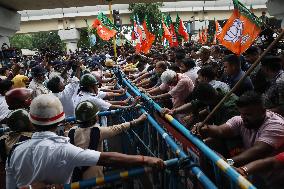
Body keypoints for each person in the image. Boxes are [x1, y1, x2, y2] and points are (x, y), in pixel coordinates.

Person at [5, 94, 164, 188]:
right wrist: (146, 159)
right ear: (61, 120)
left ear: (32, 122)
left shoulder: (14, 150)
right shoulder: (63, 148)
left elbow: (10, 185)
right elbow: (107, 158)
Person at [69, 101, 147, 180]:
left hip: (75, 175)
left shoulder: (71, 132)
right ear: (94, 118)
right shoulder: (97, 131)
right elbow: (118, 128)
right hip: (93, 177)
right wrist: (138, 120)